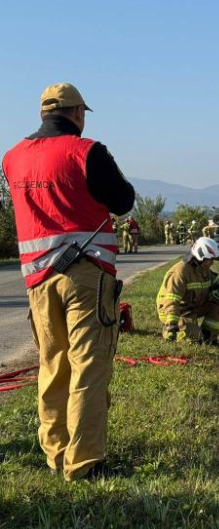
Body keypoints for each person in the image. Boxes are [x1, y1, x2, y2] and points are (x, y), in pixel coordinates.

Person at [2, 82, 135, 481]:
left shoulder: (12, 158)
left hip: (37, 280)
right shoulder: (87, 151)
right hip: (86, 275)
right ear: (77, 113)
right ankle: (85, 462)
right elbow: (123, 201)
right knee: (89, 367)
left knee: (52, 364)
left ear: (43, 113)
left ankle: (55, 452)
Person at [156, 237, 219, 343]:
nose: (212, 263)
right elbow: (171, 301)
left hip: (192, 308)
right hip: (175, 311)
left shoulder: (203, 270)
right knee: (194, 339)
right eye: (210, 259)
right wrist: (172, 324)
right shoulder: (180, 272)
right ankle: (169, 330)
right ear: (200, 256)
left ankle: (209, 338)